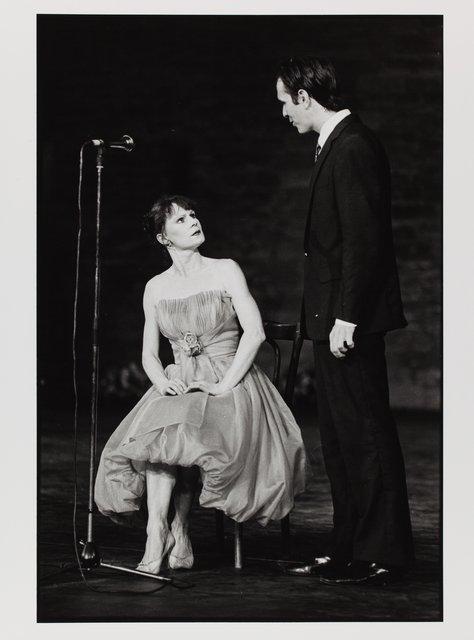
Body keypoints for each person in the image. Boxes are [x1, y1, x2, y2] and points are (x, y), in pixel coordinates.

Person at [94, 194, 306, 574]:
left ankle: (173, 530)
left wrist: (223, 385)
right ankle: (161, 530)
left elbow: (254, 334)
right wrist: (161, 382)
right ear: (163, 238)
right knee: (162, 432)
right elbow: (148, 354)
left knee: (185, 433)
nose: (193, 221)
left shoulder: (225, 269)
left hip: (233, 379)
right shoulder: (155, 287)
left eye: (193, 215)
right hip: (180, 381)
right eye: (179, 220)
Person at [276, 57, 415, 585]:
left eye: (285, 102)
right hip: (330, 320)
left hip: (345, 322)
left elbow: (364, 242)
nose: (284, 112)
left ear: (306, 97)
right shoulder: (337, 143)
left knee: (365, 435)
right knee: (339, 440)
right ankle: (348, 547)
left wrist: (346, 318)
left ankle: (383, 553)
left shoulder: (353, 146)